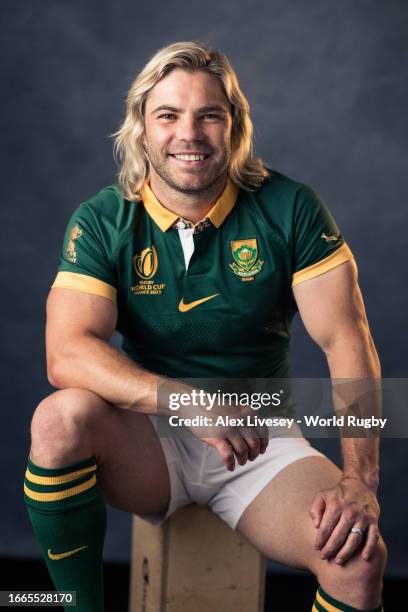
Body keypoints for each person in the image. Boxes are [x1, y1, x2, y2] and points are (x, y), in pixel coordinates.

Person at [24, 41, 386, 611]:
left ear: (235, 126)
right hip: (151, 438)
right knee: (57, 421)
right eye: (168, 115)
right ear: (142, 127)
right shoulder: (103, 218)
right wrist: (188, 404)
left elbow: (347, 339)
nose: (188, 133)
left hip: (261, 444)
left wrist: (360, 480)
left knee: (359, 557)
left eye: (209, 115)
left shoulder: (290, 207)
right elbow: (65, 353)